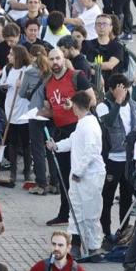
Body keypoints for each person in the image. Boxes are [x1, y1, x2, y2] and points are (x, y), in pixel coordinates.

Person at [47, 91, 104, 259]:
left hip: (89, 176)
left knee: (90, 212)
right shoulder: (82, 123)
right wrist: (56, 146)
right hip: (79, 177)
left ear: (76, 106)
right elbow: (73, 141)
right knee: (76, 210)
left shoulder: (90, 125)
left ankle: (93, 247)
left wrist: (79, 171)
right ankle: (76, 244)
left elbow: (91, 151)